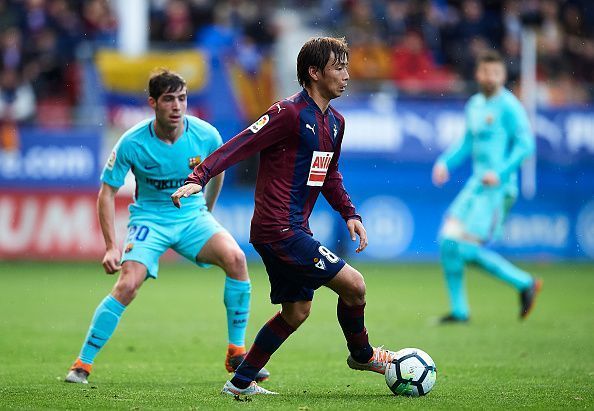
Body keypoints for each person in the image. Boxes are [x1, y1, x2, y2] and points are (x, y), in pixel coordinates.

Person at [172, 37, 397, 396]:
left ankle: (240, 383)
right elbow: (241, 143)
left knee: (296, 312)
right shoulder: (288, 113)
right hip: (279, 229)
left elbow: (329, 174)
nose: (347, 75)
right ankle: (363, 355)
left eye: (346, 67)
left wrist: (349, 213)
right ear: (314, 72)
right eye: (338, 67)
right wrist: (199, 177)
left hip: (290, 229)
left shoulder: (335, 122)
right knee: (354, 286)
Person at [65, 69, 269, 384]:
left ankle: (236, 352)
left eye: (182, 99)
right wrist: (110, 246)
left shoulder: (206, 135)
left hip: (192, 217)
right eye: (169, 99)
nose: (177, 106)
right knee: (128, 284)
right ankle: (82, 364)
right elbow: (106, 193)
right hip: (150, 218)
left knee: (237, 259)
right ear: (153, 103)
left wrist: (208, 212)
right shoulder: (132, 142)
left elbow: (217, 172)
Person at [431, 50, 542, 324]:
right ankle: (459, 311)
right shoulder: (475, 105)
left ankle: (525, 282)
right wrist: (445, 162)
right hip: (475, 186)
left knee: (464, 247)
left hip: (497, 188)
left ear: (503, 76)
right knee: (447, 242)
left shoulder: (510, 106)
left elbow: (526, 145)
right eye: (486, 72)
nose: (490, 77)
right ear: (478, 74)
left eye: (496, 73)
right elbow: (467, 142)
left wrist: (500, 172)